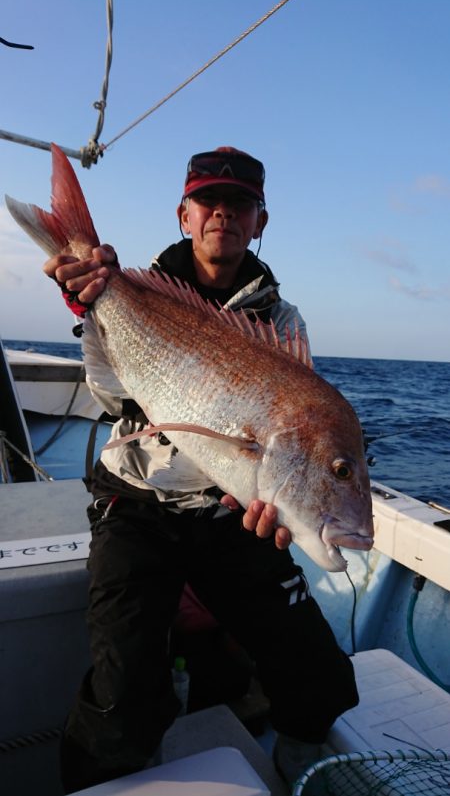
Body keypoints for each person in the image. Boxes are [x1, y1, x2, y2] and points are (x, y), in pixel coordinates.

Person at [44, 147, 359, 793]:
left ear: (260, 220)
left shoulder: (283, 323)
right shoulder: (128, 287)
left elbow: (281, 457)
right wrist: (90, 306)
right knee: (121, 701)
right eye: (209, 202)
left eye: (240, 204)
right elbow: (110, 398)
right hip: (137, 503)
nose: (224, 214)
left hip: (227, 515)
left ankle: (295, 769)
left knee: (320, 680)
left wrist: (285, 512)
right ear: (184, 215)